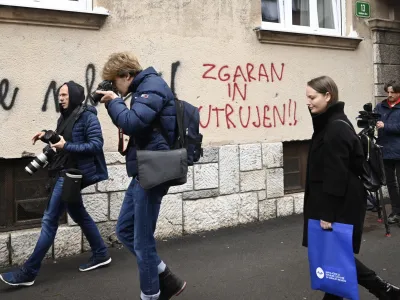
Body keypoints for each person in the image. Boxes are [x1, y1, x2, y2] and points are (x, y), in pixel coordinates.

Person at [0, 81, 111, 287]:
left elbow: (96, 145)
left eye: (65, 95)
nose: (61, 98)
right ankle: (101, 253)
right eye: (59, 95)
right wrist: (47, 135)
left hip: (72, 174)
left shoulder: (87, 116)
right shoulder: (66, 116)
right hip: (65, 170)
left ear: (75, 96)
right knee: (79, 213)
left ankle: (28, 272)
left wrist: (66, 145)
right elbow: (62, 140)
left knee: (49, 220)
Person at [96, 52, 186, 300]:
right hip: (143, 171)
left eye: (115, 82)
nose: (116, 88)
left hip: (154, 171)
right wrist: (115, 101)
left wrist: (114, 101)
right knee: (125, 230)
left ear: (126, 75)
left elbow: (133, 122)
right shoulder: (144, 88)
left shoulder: (151, 87)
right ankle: (167, 278)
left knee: (143, 242)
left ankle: (151, 295)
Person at [302, 75, 400, 299]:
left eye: (312, 97)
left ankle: (382, 289)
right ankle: (383, 290)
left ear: (328, 96)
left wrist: (327, 214)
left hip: (337, 203)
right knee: (334, 256)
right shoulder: (330, 123)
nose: (308, 102)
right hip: (335, 200)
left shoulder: (335, 128)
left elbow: (336, 174)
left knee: (335, 255)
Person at [374, 80, 400, 224]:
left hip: (399, 151)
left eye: (392, 92)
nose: (389, 95)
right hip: (385, 150)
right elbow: (373, 120)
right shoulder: (380, 106)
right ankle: (396, 212)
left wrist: (386, 126)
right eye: (387, 92)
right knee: (390, 183)